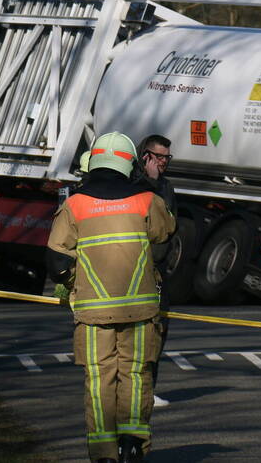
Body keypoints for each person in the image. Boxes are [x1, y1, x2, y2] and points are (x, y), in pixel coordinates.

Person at [46, 132, 175, 463]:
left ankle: (104, 453)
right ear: (130, 163)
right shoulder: (146, 200)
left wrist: (78, 280)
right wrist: (154, 185)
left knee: (99, 379)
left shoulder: (74, 205)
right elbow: (165, 234)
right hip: (141, 312)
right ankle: (133, 443)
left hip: (92, 315)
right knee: (134, 374)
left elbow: (57, 263)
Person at [134, 134, 178, 408]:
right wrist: (149, 182)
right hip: (135, 269)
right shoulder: (135, 183)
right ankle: (131, 391)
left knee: (158, 332)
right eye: (159, 157)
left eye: (167, 158)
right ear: (145, 156)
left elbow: (170, 225)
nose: (163, 162)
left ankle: (148, 390)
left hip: (159, 271)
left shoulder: (167, 187)